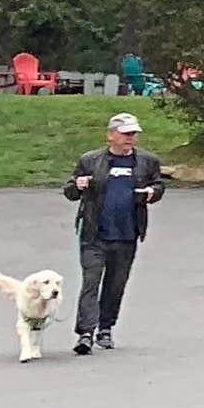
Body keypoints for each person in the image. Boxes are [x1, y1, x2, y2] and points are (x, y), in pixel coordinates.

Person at [64, 111, 165, 354]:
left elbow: (158, 185)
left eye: (134, 133)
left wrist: (153, 192)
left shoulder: (146, 161)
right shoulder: (90, 160)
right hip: (94, 233)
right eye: (125, 133)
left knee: (116, 283)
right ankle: (85, 333)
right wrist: (77, 186)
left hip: (127, 233)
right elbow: (70, 191)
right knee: (91, 282)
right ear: (110, 135)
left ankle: (106, 328)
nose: (130, 137)